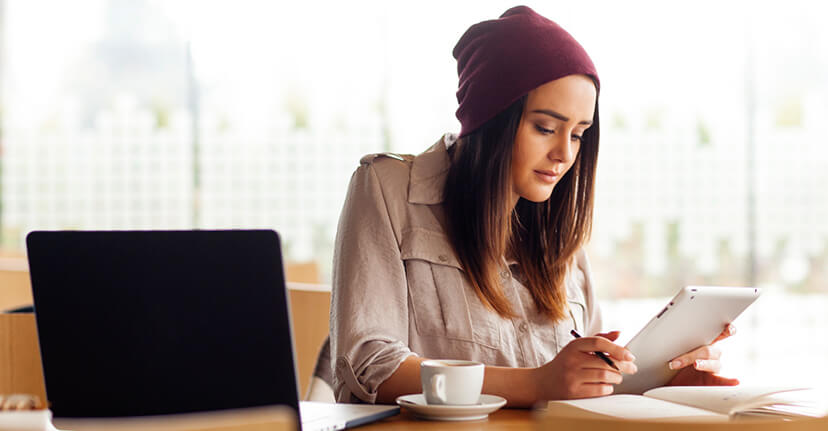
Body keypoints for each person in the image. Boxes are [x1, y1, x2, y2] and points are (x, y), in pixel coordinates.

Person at [327, 5, 738, 407]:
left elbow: (582, 387)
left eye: (578, 135)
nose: (564, 153)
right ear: (491, 119)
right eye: (545, 128)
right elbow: (371, 365)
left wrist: (665, 381)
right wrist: (538, 383)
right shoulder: (387, 188)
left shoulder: (560, 233)